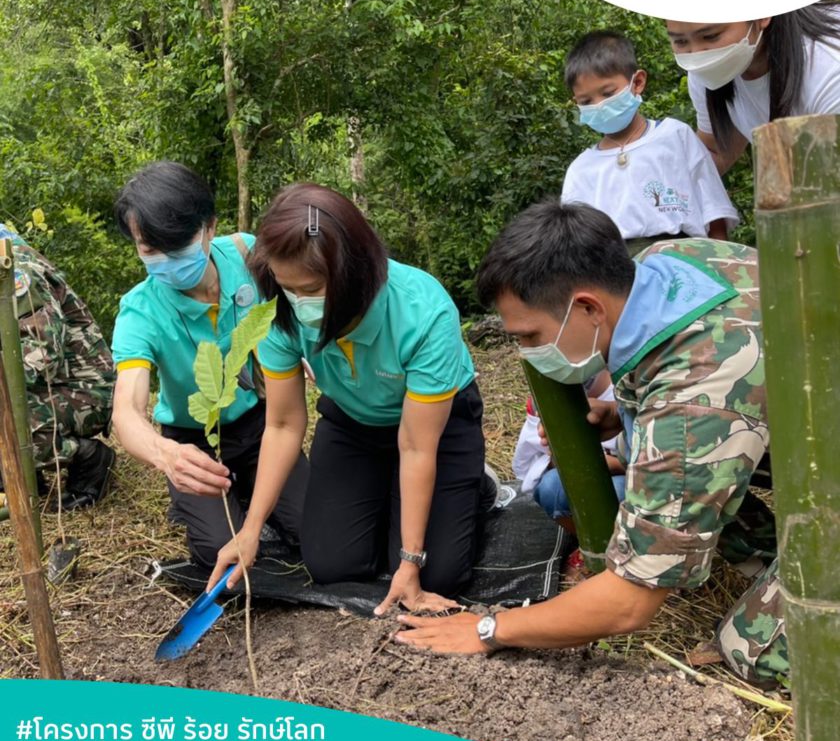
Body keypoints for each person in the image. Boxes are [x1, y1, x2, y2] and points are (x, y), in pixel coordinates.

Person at [395, 202, 785, 689]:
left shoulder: (694, 397)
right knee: (692, 475)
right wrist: (629, 420)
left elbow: (629, 603)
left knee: (753, 652)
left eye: (530, 336)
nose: (527, 352)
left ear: (587, 308)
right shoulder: (667, 263)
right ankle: (775, 562)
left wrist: (489, 628)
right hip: (803, 431)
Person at [208, 184, 490, 617]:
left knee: (436, 574)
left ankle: (474, 487)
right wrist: (250, 529)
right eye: (288, 287)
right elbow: (282, 424)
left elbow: (416, 446)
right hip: (353, 422)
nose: (299, 302)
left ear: (353, 272)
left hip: (434, 430)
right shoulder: (278, 312)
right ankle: (387, 490)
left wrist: (410, 561)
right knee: (331, 564)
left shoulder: (422, 311)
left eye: (311, 288)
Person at [110, 162, 308, 569]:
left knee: (313, 530)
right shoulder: (139, 311)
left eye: (178, 245)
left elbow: (292, 312)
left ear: (210, 227)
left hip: (259, 424)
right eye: (150, 250)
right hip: (193, 440)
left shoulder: (247, 256)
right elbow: (126, 411)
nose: (167, 260)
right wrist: (166, 455)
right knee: (220, 554)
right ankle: (204, 502)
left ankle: (250, 493)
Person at [561, 30, 738, 256]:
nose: (599, 105)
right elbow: (575, 245)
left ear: (637, 82)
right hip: (617, 268)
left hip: (686, 259)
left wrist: (721, 262)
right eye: (586, 101)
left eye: (608, 93)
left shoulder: (675, 136)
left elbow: (713, 210)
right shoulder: (581, 169)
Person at [0, 224, 115, 509]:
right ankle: (25, 475)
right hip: (48, 388)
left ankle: (88, 458)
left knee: (6, 418)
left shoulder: (15, 271)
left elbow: (43, 355)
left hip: (85, 391)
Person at [666, 4, 840, 174]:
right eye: (680, 41)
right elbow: (715, 152)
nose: (697, 54)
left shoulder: (829, 72)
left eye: (711, 36)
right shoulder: (707, 72)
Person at [513, 369, 625, 532]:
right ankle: (589, 540)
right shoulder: (546, 398)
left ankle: (625, 539)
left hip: (634, 479)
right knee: (551, 486)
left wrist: (609, 464)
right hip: (586, 475)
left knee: (617, 492)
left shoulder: (629, 384)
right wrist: (561, 457)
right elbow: (533, 464)